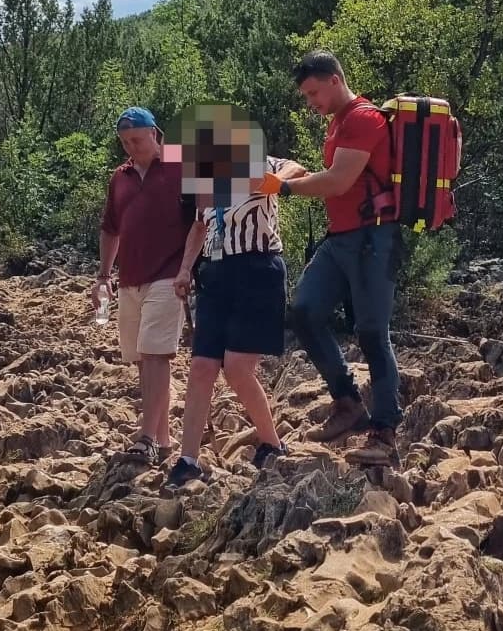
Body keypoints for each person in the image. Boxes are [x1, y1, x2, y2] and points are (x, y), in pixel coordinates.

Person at [261, 52, 402, 467]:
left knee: (373, 331)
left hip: (374, 237)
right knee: (305, 311)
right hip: (341, 239)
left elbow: (339, 181)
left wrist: (283, 189)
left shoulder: (363, 118)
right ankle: (348, 402)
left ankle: (385, 431)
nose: (310, 103)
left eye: (313, 93)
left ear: (336, 80)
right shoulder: (337, 123)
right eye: (307, 96)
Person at [166, 143, 307, 490]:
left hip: (258, 268)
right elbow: (199, 226)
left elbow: (296, 168)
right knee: (201, 366)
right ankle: (188, 461)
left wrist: (273, 182)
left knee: (237, 367)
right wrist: (185, 269)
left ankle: (272, 443)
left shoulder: (256, 162)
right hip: (216, 273)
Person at [97, 107, 193, 464]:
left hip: (170, 274)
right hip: (129, 278)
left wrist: (193, 267)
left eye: (136, 139)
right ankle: (163, 438)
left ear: (155, 133)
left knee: (156, 355)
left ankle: (147, 436)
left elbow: (206, 210)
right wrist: (103, 277)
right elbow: (110, 229)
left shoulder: (180, 162)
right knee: (142, 359)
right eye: (124, 142)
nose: (130, 147)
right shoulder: (119, 177)